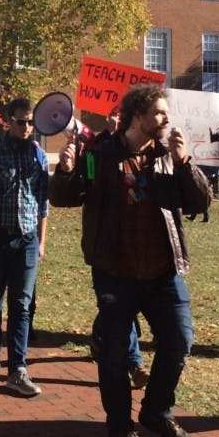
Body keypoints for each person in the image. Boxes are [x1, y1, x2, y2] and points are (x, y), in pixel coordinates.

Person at [50, 84, 210, 437]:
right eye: (159, 113)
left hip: (163, 272)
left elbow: (200, 201)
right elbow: (65, 197)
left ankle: (156, 412)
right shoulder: (100, 155)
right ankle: (120, 429)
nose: (166, 118)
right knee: (115, 354)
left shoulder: (168, 156)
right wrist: (66, 171)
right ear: (137, 116)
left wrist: (185, 162)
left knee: (179, 340)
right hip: (116, 272)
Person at [0, 98, 49, 396]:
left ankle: (18, 368)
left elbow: (43, 201)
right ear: (8, 121)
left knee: (21, 305)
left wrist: (41, 241)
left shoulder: (37, 154)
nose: (27, 127)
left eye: (30, 122)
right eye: (21, 122)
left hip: (26, 240)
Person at [85, 107, 149, 389]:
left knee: (119, 308)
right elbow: (84, 183)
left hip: (138, 246)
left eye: (122, 115)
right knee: (121, 307)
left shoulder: (146, 152)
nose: (118, 119)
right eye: (114, 115)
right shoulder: (96, 148)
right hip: (108, 246)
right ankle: (135, 364)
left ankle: (99, 337)